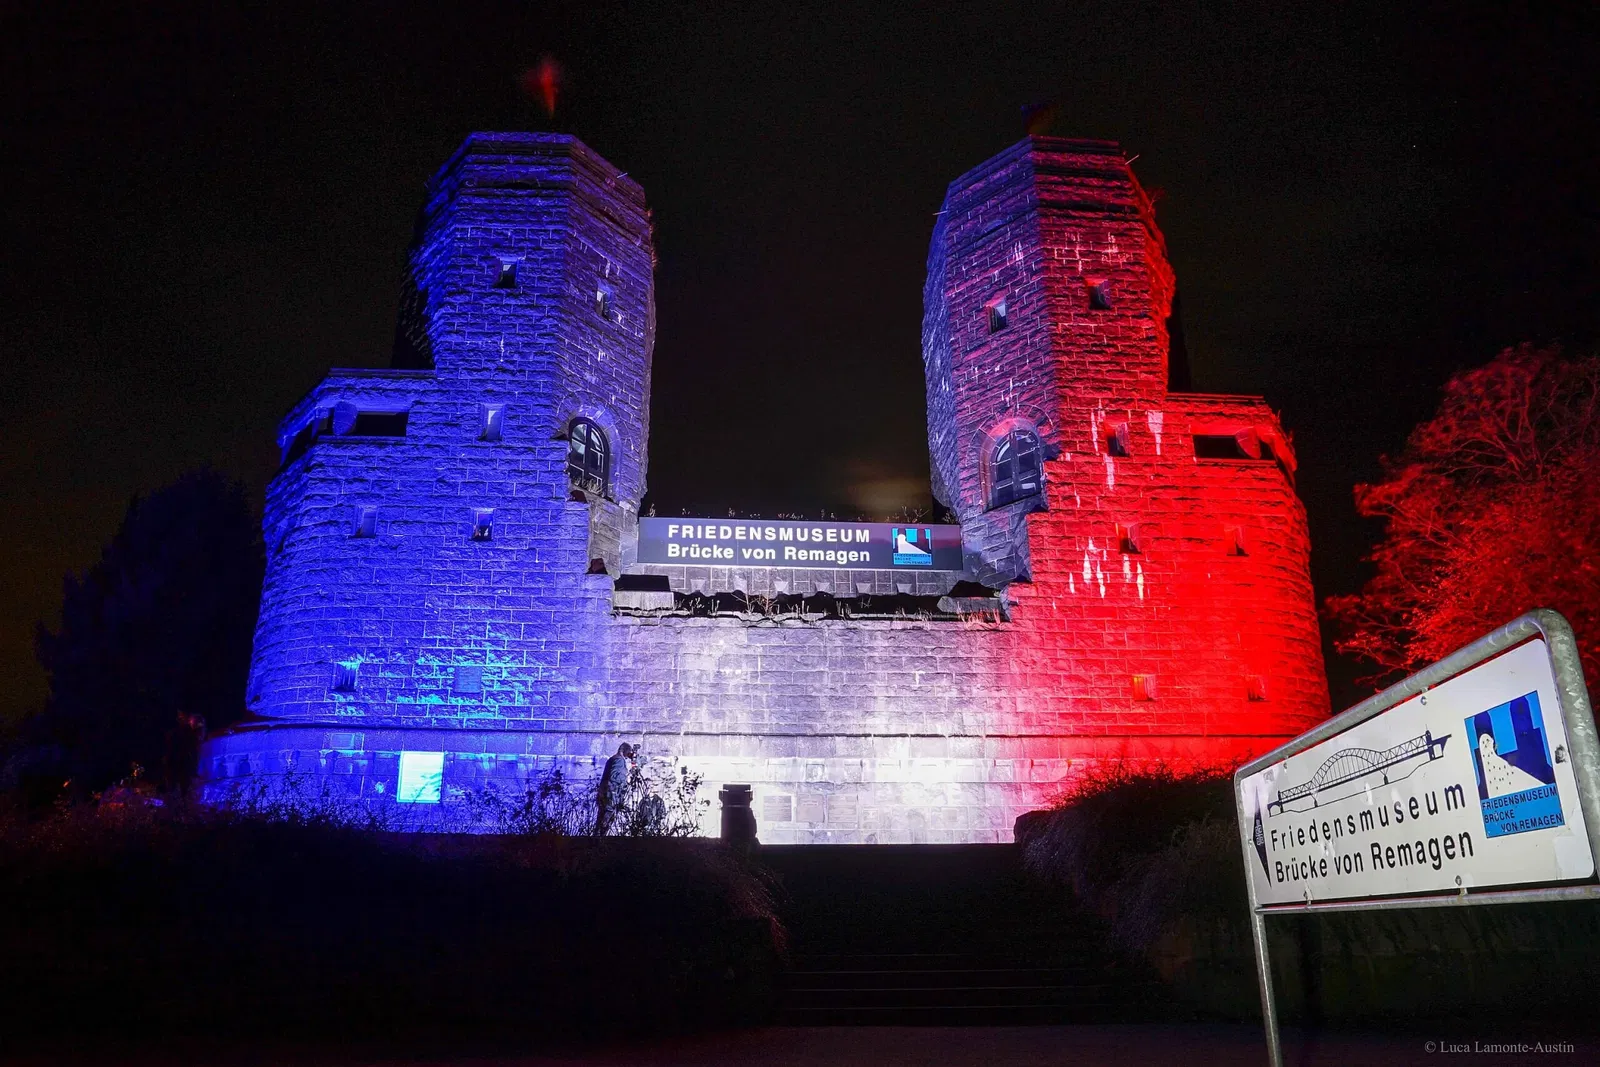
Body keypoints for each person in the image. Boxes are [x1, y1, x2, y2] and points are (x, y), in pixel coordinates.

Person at [595, 742, 636, 835]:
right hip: (611, 795)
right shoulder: (619, 760)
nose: (629, 756)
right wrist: (626, 780)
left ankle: (597, 838)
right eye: (629, 753)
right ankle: (601, 839)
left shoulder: (612, 759)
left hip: (605, 793)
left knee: (601, 817)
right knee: (607, 817)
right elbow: (615, 777)